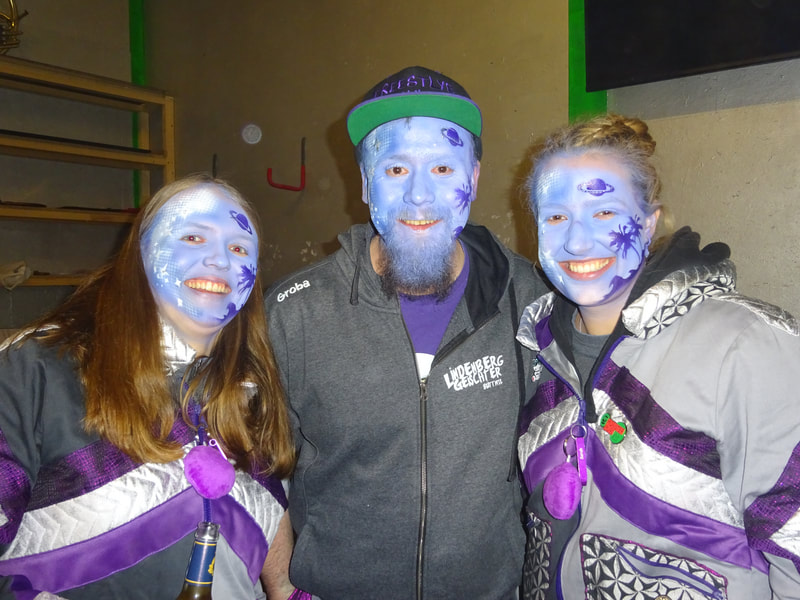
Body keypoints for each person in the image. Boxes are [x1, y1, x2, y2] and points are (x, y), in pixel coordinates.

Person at [265, 66, 548, 599]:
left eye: (442, 167)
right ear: (365, 184)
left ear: (474, 178)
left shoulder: (528, 297)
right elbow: (252, 463)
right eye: (396, 169)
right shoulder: (293, 313)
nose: (419, 196)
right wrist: (282, 586)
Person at [516, 114, 800, 599]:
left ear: (649, 223)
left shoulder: (745, 345)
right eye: (556, 217)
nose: (577, 241)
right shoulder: (536, 351)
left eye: (604, 213)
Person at [0, 174, 298, 599]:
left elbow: (270, 524)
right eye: (193, 237)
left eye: (238, 248)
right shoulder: (37, 367)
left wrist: (288, 589)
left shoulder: (249, 387)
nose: (219, 260)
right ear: (140, 253)